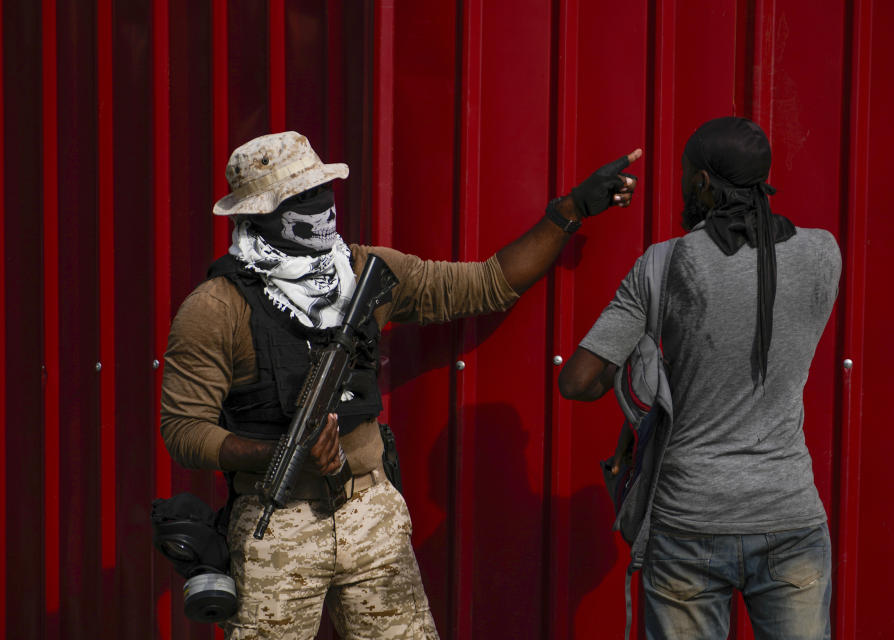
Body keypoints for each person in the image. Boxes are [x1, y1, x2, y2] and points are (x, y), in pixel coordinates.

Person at [160, 130, 641, 639]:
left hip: (371, 515)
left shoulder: (366, 272)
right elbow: (183, 430)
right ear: (257, 213)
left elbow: (488, 284)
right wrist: (280, 452)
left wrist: (570, 210)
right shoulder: (216, 307)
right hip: (275, 525)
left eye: (320, 191)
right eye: (298, 200)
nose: (320, 206)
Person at [558, 117, 839, 640]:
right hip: (789, 516)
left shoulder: (665, 264)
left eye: (688, 176)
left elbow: (577, 381)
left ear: (702, 184)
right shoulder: (824, 253)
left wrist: (640, 363)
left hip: (689, 522)